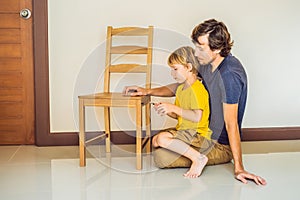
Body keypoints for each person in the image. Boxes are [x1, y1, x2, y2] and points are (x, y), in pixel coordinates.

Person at [123, 19, 267, 185]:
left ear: (218, 48)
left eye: (201, 47)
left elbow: (231, 123)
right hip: (200, 132)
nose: (196, 54)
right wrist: (148, 91)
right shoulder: (207, 63)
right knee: (158, 143)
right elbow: (181, 85)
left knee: (161, 157)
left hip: (218, 144)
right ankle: (192, 153)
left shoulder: (229, 75)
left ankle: (202, 158)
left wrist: (239, 168)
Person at [152, 46, 212, 178]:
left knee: (161, 139)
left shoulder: (197, 89)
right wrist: (167, 110)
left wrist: (173, 108)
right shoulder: (181, 89)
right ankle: (189, 153)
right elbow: (178, 115)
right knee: (155, 141)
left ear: (189, 67)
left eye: (175, 69)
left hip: (198, 134)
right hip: (185, 129)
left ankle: (198, 158)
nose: (172, 74)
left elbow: (197, 117)